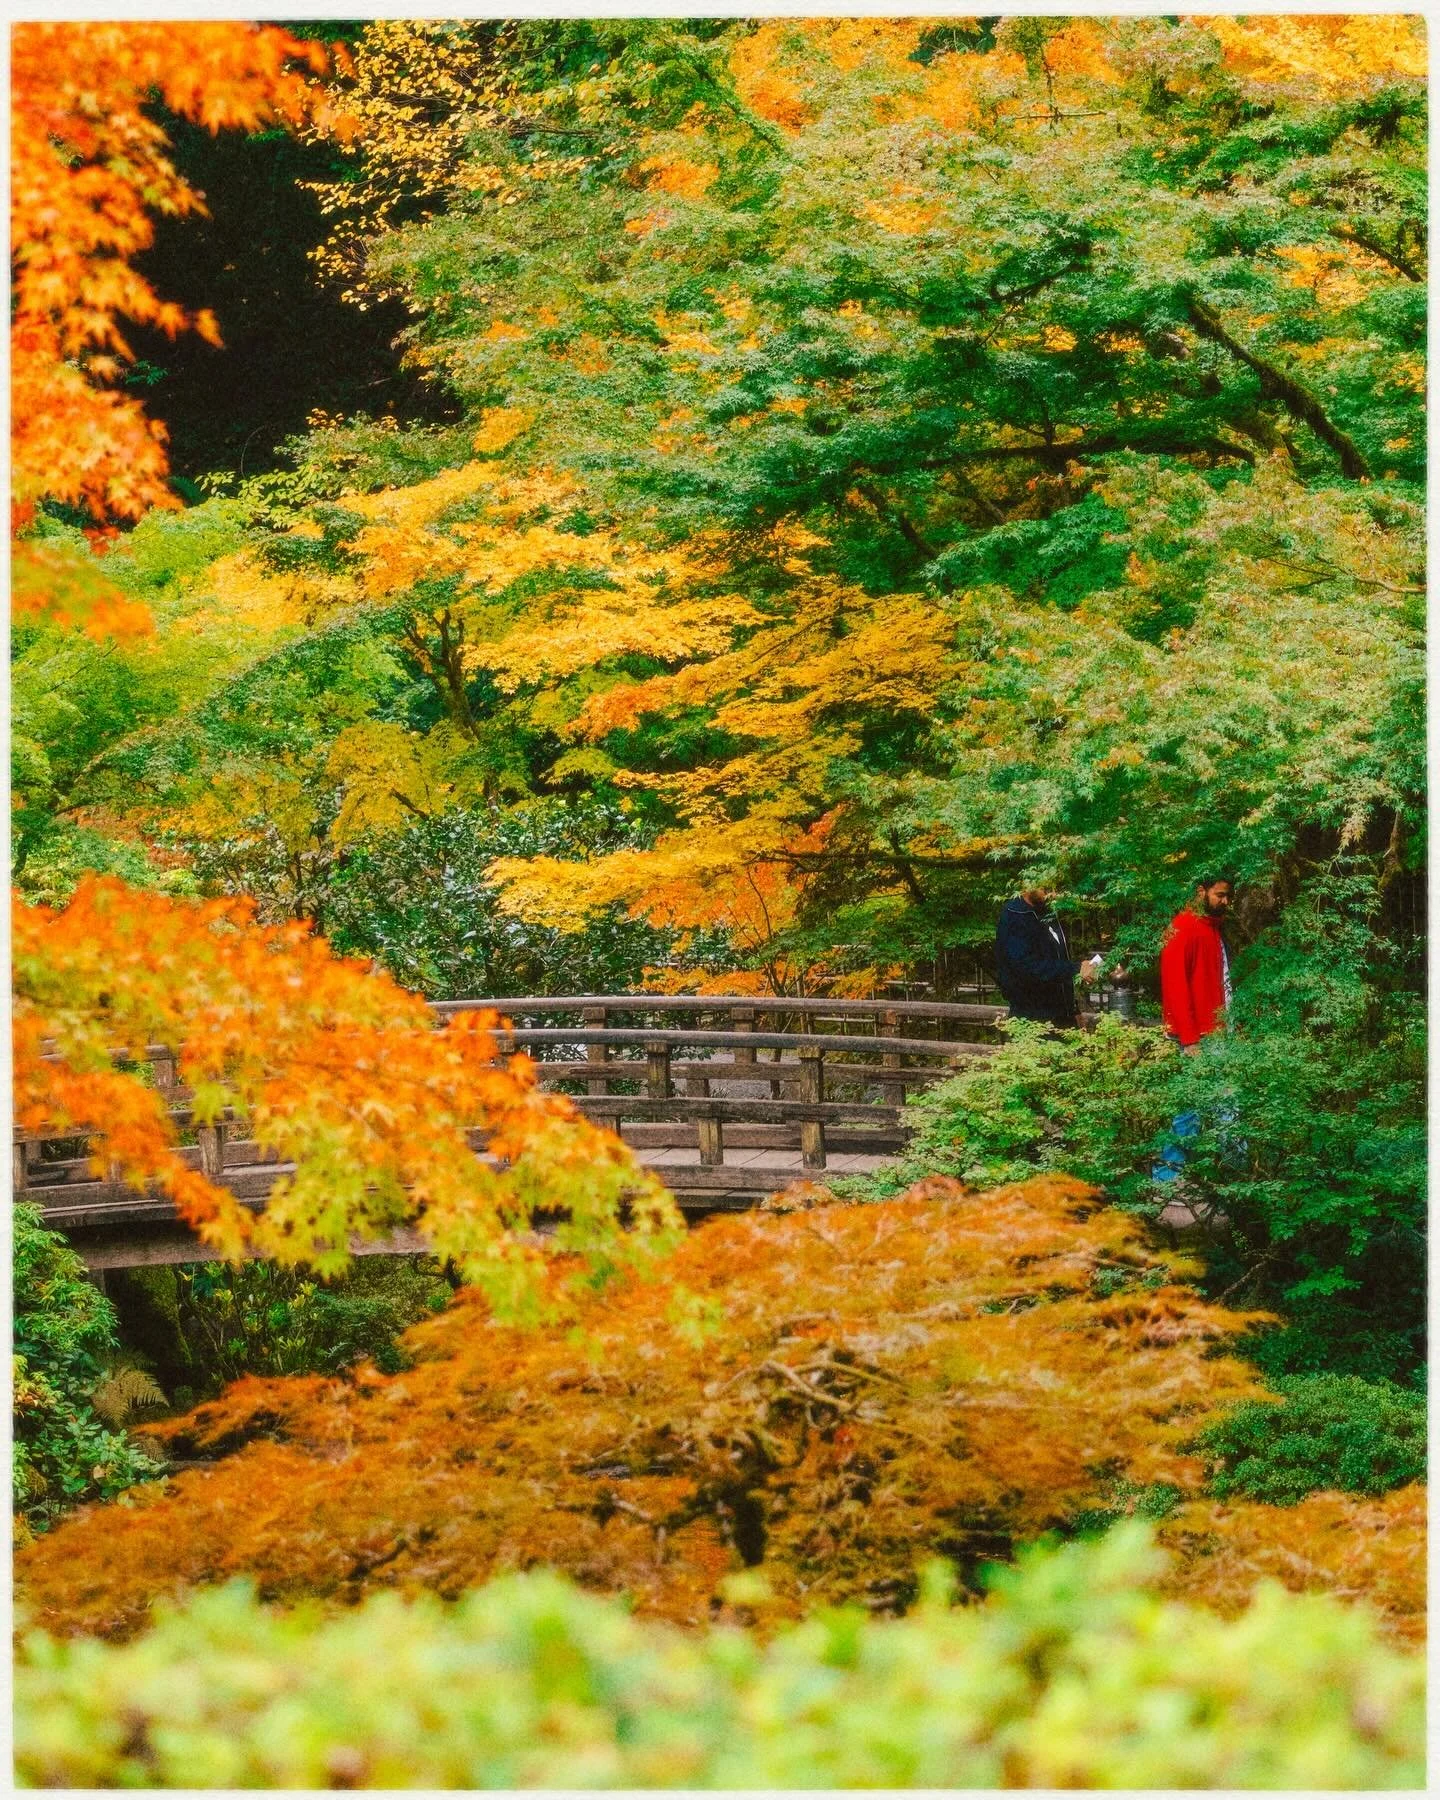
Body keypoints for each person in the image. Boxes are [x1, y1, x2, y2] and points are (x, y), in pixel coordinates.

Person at [994, 886, 1102, 1026]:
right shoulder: (1015, 915)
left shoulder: (1047, 913)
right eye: (1046, 889)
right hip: (1033, 1020)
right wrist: (1076, 968)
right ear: (1027, 884)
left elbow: (1058, 960)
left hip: (1061, 1016)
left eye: (1055, 888)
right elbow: (1027, 967)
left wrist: (1073, 1009)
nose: (1053, 894)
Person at [1159, 875, 1233, 1052]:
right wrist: (1189, 1039)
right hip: (1198, 1036)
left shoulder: (1211, 925)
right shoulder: (1183, 927)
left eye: (1228, 896)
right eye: (1220, 895)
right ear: (1201, 891)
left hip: (1216, 1028)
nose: (1226, 901)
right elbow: (1175, 986)